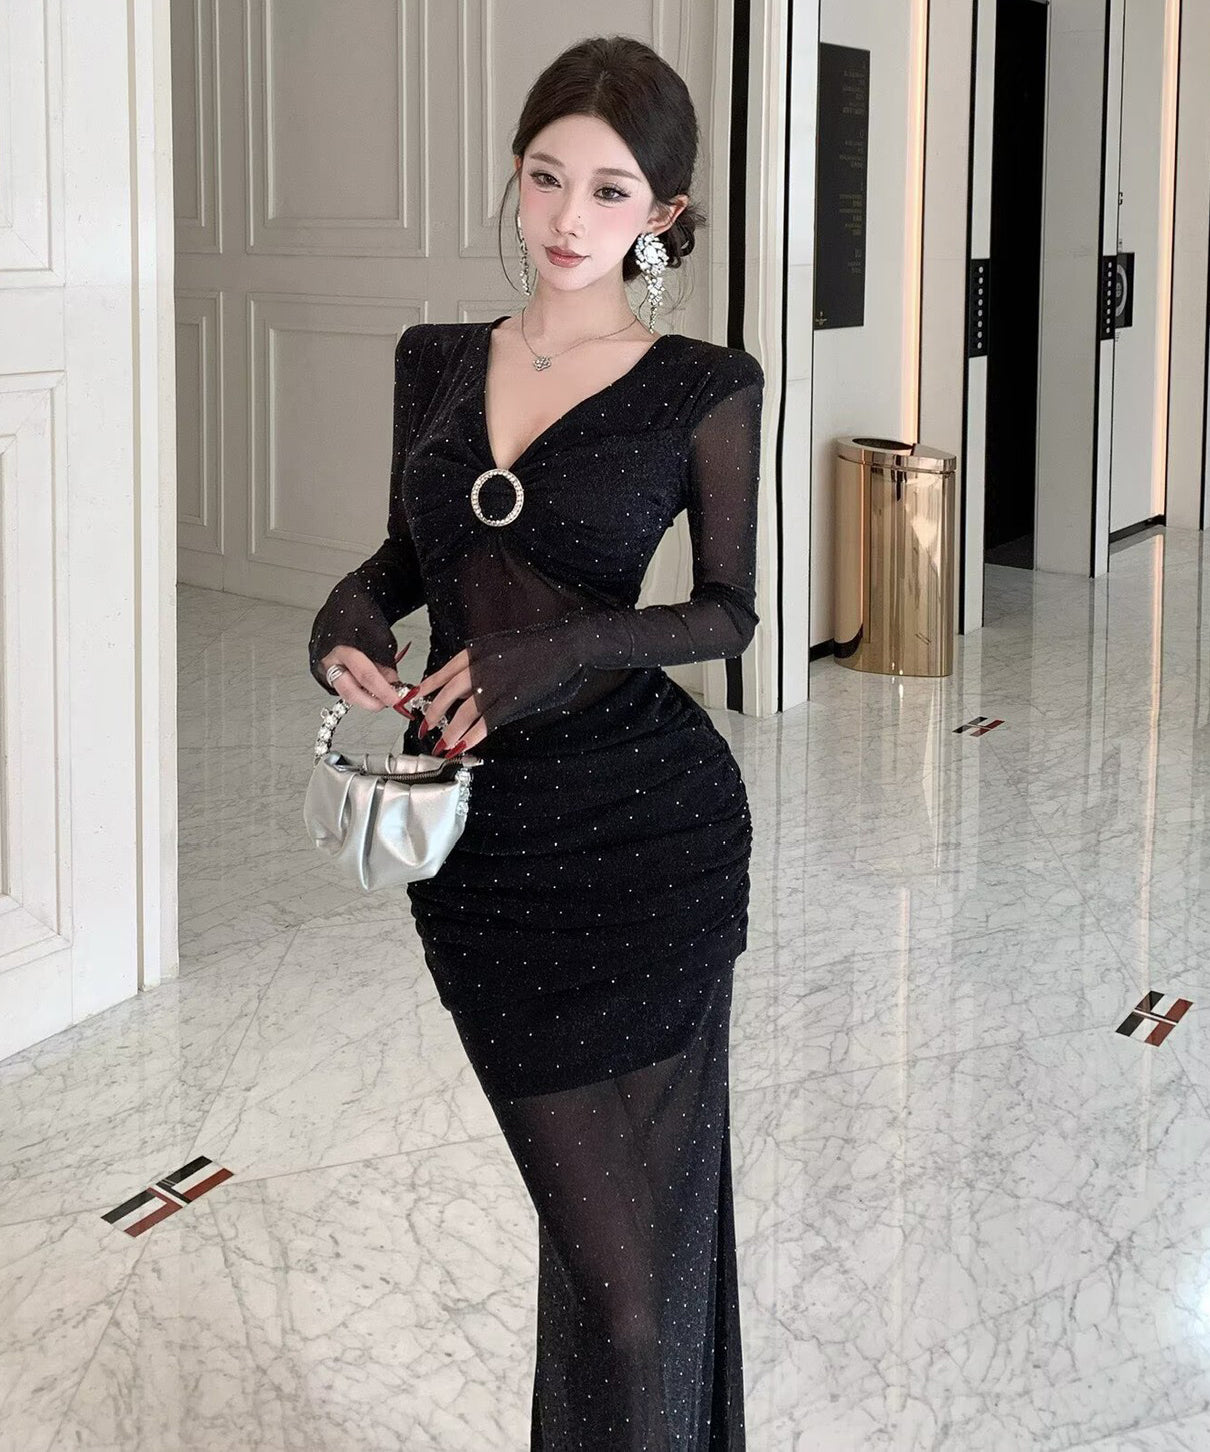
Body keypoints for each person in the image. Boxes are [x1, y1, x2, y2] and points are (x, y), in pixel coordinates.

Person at [308, 34, 763, 1450]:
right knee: (605, 1259)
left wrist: (557, 646)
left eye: (611, 192)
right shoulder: (438, 361)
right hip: (488, 858)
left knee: (635, 1287)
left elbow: (728, 614)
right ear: (515, 175)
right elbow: (407, 555)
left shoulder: (702, 383)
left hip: (651, 836)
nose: (570, 219)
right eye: (547, 177)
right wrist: (345, 613)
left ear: (662, 215)